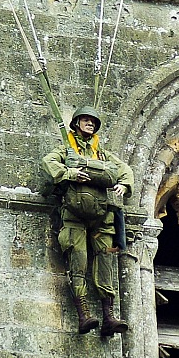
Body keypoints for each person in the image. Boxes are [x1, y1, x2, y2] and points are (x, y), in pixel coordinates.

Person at [42, 106, 134, 336]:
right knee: (78, 261)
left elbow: (124, 170)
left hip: (101, 217)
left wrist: (124, 184)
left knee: (105, 262)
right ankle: (83, 314)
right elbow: (48, 163)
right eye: (85, 120)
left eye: (93, 121)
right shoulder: (66, 148)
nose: (90, 124)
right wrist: (70, 174)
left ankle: (109, 316)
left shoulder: (100, 153)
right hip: (74, 216)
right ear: (76, 123)